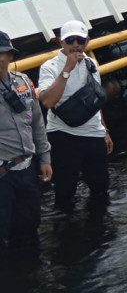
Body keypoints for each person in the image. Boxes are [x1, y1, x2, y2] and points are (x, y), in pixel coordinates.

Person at [38, 20, 113, 211]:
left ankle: (98, 233)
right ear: (61, 42)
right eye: (70, 40)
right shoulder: (50, 66)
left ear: (86, 41)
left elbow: (96, 98)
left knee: (100, 187)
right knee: (65, 191)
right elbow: (47, 101)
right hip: (64, 135)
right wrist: (67, 70)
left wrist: (104, 130)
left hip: (93, 135)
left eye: (79, 40)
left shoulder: (91, 63)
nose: (75, 45)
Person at [0, 30, 51, 249]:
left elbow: (37, 122)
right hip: (2, 175)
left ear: (10, 56)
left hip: (27, 168)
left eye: (3, 53)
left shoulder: (23, 83)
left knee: (30, 227)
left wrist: (45, 158)